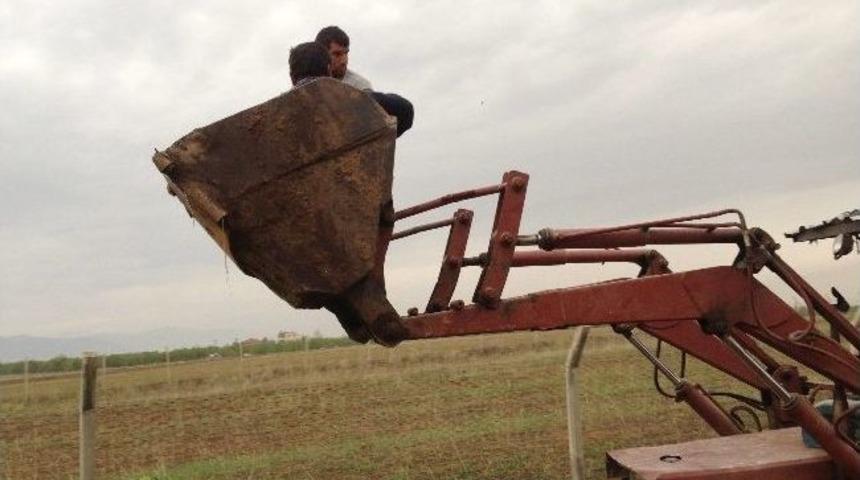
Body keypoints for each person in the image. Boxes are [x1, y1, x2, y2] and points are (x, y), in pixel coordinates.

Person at [288, 40, 413, 137]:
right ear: (328, 70)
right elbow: (406, 110)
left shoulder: (279, 118)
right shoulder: (348, 104)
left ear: (292, 78)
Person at [315, 26, 372, 91]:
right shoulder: (306, 82)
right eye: (337, 54)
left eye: (346, 53)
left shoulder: (360, 87)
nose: (344, 61)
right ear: (321, 54)